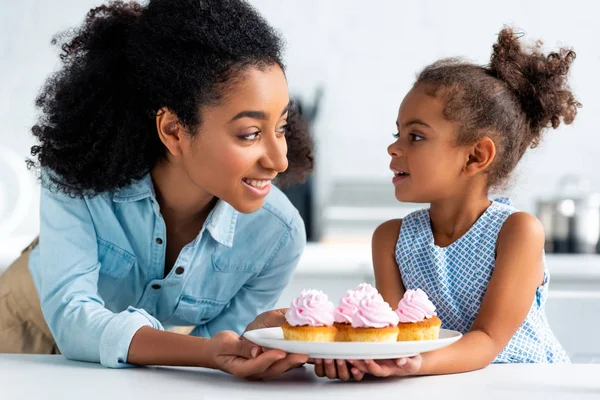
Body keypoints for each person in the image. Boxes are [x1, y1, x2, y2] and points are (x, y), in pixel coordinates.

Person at [0, 0, 313, 380]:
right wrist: (207, 353)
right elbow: (72, 316)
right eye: (250, 134)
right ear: (173, 130)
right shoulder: (79, 175)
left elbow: (217, 358)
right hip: (21, 335)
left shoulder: (278, 237)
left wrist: (251, 341)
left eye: (280, 127)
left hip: (137, 364)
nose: (279, 161)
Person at [317, 27, 579, 380]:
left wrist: (415, 364)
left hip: (525, 384)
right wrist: (359, 358)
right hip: (436, 384)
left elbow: (487, 340)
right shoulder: (390, 239)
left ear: (475, 156)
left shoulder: (517, 232)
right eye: (398, 134)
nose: (393, 148)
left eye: (416, 136)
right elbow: (391, 339)